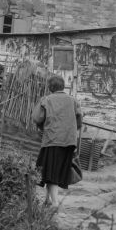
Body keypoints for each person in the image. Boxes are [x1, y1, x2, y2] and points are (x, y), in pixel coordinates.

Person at [31, 74, 83, 211]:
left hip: (52, 140)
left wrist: (42, 127)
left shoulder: (46, 100)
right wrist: (71, 130)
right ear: (63, 86)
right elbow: (79, 120)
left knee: (51, 172)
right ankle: (47, 200)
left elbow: (37, 118)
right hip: (69, 140)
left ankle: (55, 203)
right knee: (51, 170)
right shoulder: (73, 100)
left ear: (50, 87)